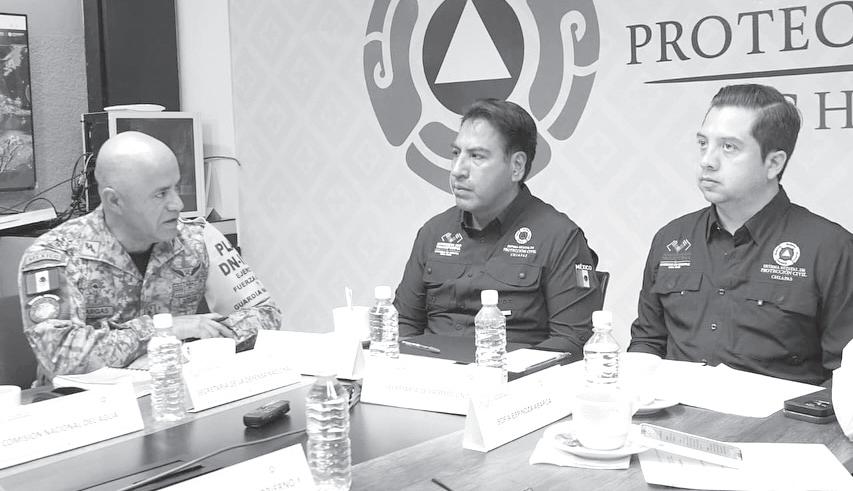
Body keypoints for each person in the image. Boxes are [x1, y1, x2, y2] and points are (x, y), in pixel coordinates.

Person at [629, 84, 853, 385]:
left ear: (773, 163)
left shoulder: (831, 248)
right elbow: (648, 341)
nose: (707, 160)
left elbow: (845, 375)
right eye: (703, 143)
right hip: (674, 409)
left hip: (780, 414)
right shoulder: (671, 238)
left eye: (729, 147)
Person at [18, 132, 281, 381]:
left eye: (176, 188)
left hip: (180, 391)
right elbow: (62, 356)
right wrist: (163, 331)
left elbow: (266, 316)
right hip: (88, 405)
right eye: (160, 194)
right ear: (114, 201)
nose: (177, 204)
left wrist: (188, 347)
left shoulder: (197, 239)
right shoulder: (55, 254)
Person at [394, 99, 601, 358]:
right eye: (456, 153)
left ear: (516, 166)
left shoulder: (559, 237)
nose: (457, 171)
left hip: (515, 378)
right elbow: (404, 322)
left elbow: (571, 341)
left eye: (477, 156)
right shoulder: (434, 232)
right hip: (430, 376)